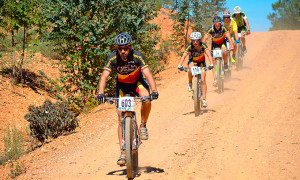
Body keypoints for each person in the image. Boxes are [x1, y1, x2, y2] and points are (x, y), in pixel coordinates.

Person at [97, 32, 159, 166]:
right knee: (120, 117)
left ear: (130, 47)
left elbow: (147, 73)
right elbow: (104, 76)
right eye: (120, 48)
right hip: (122, 87)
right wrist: (101, 93)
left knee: (146, 98)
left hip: (137, 83)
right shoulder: (112, 57)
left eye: (125, 48)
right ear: (116, 49)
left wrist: (154, 91)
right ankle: (123, 152)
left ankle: (143, 125)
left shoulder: (137, 56)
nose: (123, 51)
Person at [177, 32, 214, 107]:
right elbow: (184, 55)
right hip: (193, 61)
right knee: (190, 69)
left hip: (201, 63)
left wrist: (211, 64)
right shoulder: (189, 46)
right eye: (193, 40)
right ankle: (190, 83)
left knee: (203, 78)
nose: (195, 42)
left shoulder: (203, 45)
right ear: (191, 41)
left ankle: (204, 99)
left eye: (197, 40)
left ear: (200, 40)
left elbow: (209, 54)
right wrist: (180, 65)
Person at [202, 16, 234, 87]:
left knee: (224, 51)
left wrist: (232, 45)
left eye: (218, 24)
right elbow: (204, 38)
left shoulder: (223, 28)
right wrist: (202, 48)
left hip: (222, 43)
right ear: (214, 24)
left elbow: (228, 36)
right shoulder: (211, 28)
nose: (217, 26)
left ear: (220, 23)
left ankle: (225, 63)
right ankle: (215, 79)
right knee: (213, 61)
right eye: (216, 24)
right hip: (215, 44)